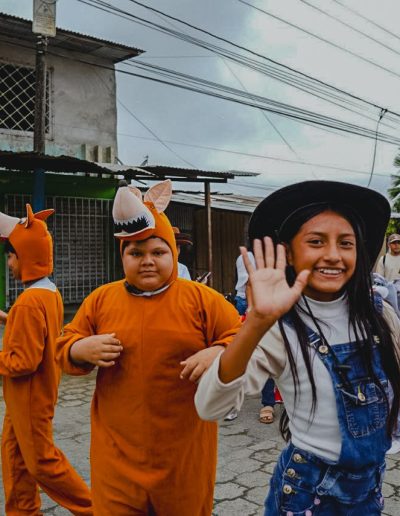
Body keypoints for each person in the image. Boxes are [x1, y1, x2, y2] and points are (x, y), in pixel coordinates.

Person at [195, 180, 400, 515]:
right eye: (316, 241)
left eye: (346, 243)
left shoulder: (381, 315)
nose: (333, 254)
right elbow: (209, 407)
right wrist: (256, 322)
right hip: (305, 496)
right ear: (288, 252)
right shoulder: (278, 328)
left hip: (369, 492)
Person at [56, 180, 241, 515]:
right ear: (122, 256)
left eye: (158, 252)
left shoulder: (202, 300)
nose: (147, 261)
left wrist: (218, 351)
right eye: (136, 253)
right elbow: (64, 344)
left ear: (175, 254)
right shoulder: (101, 299)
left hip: (183, 452)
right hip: (116, 452)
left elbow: (242, 337)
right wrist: (78, 349)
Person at [0, 204, 93, 515]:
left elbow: (22, 362)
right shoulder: (49, 292)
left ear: (25, 257)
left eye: (10, 257)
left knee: (42, 463)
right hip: (35, 394)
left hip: (28, 397)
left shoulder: (28, 302)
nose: (8, 264)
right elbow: (39, 333)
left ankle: (98, 509)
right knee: (15, 456)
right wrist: (8, 319)